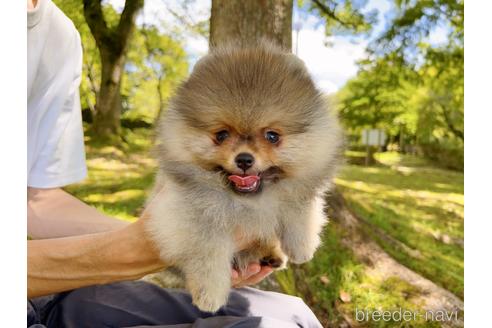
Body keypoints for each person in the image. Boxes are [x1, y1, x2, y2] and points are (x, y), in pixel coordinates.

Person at [27, 0, 323, 327]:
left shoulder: (58, 35)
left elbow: (34, 201)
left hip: (45, 292)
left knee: (295, 316)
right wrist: (128, 253)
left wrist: (164, 247)